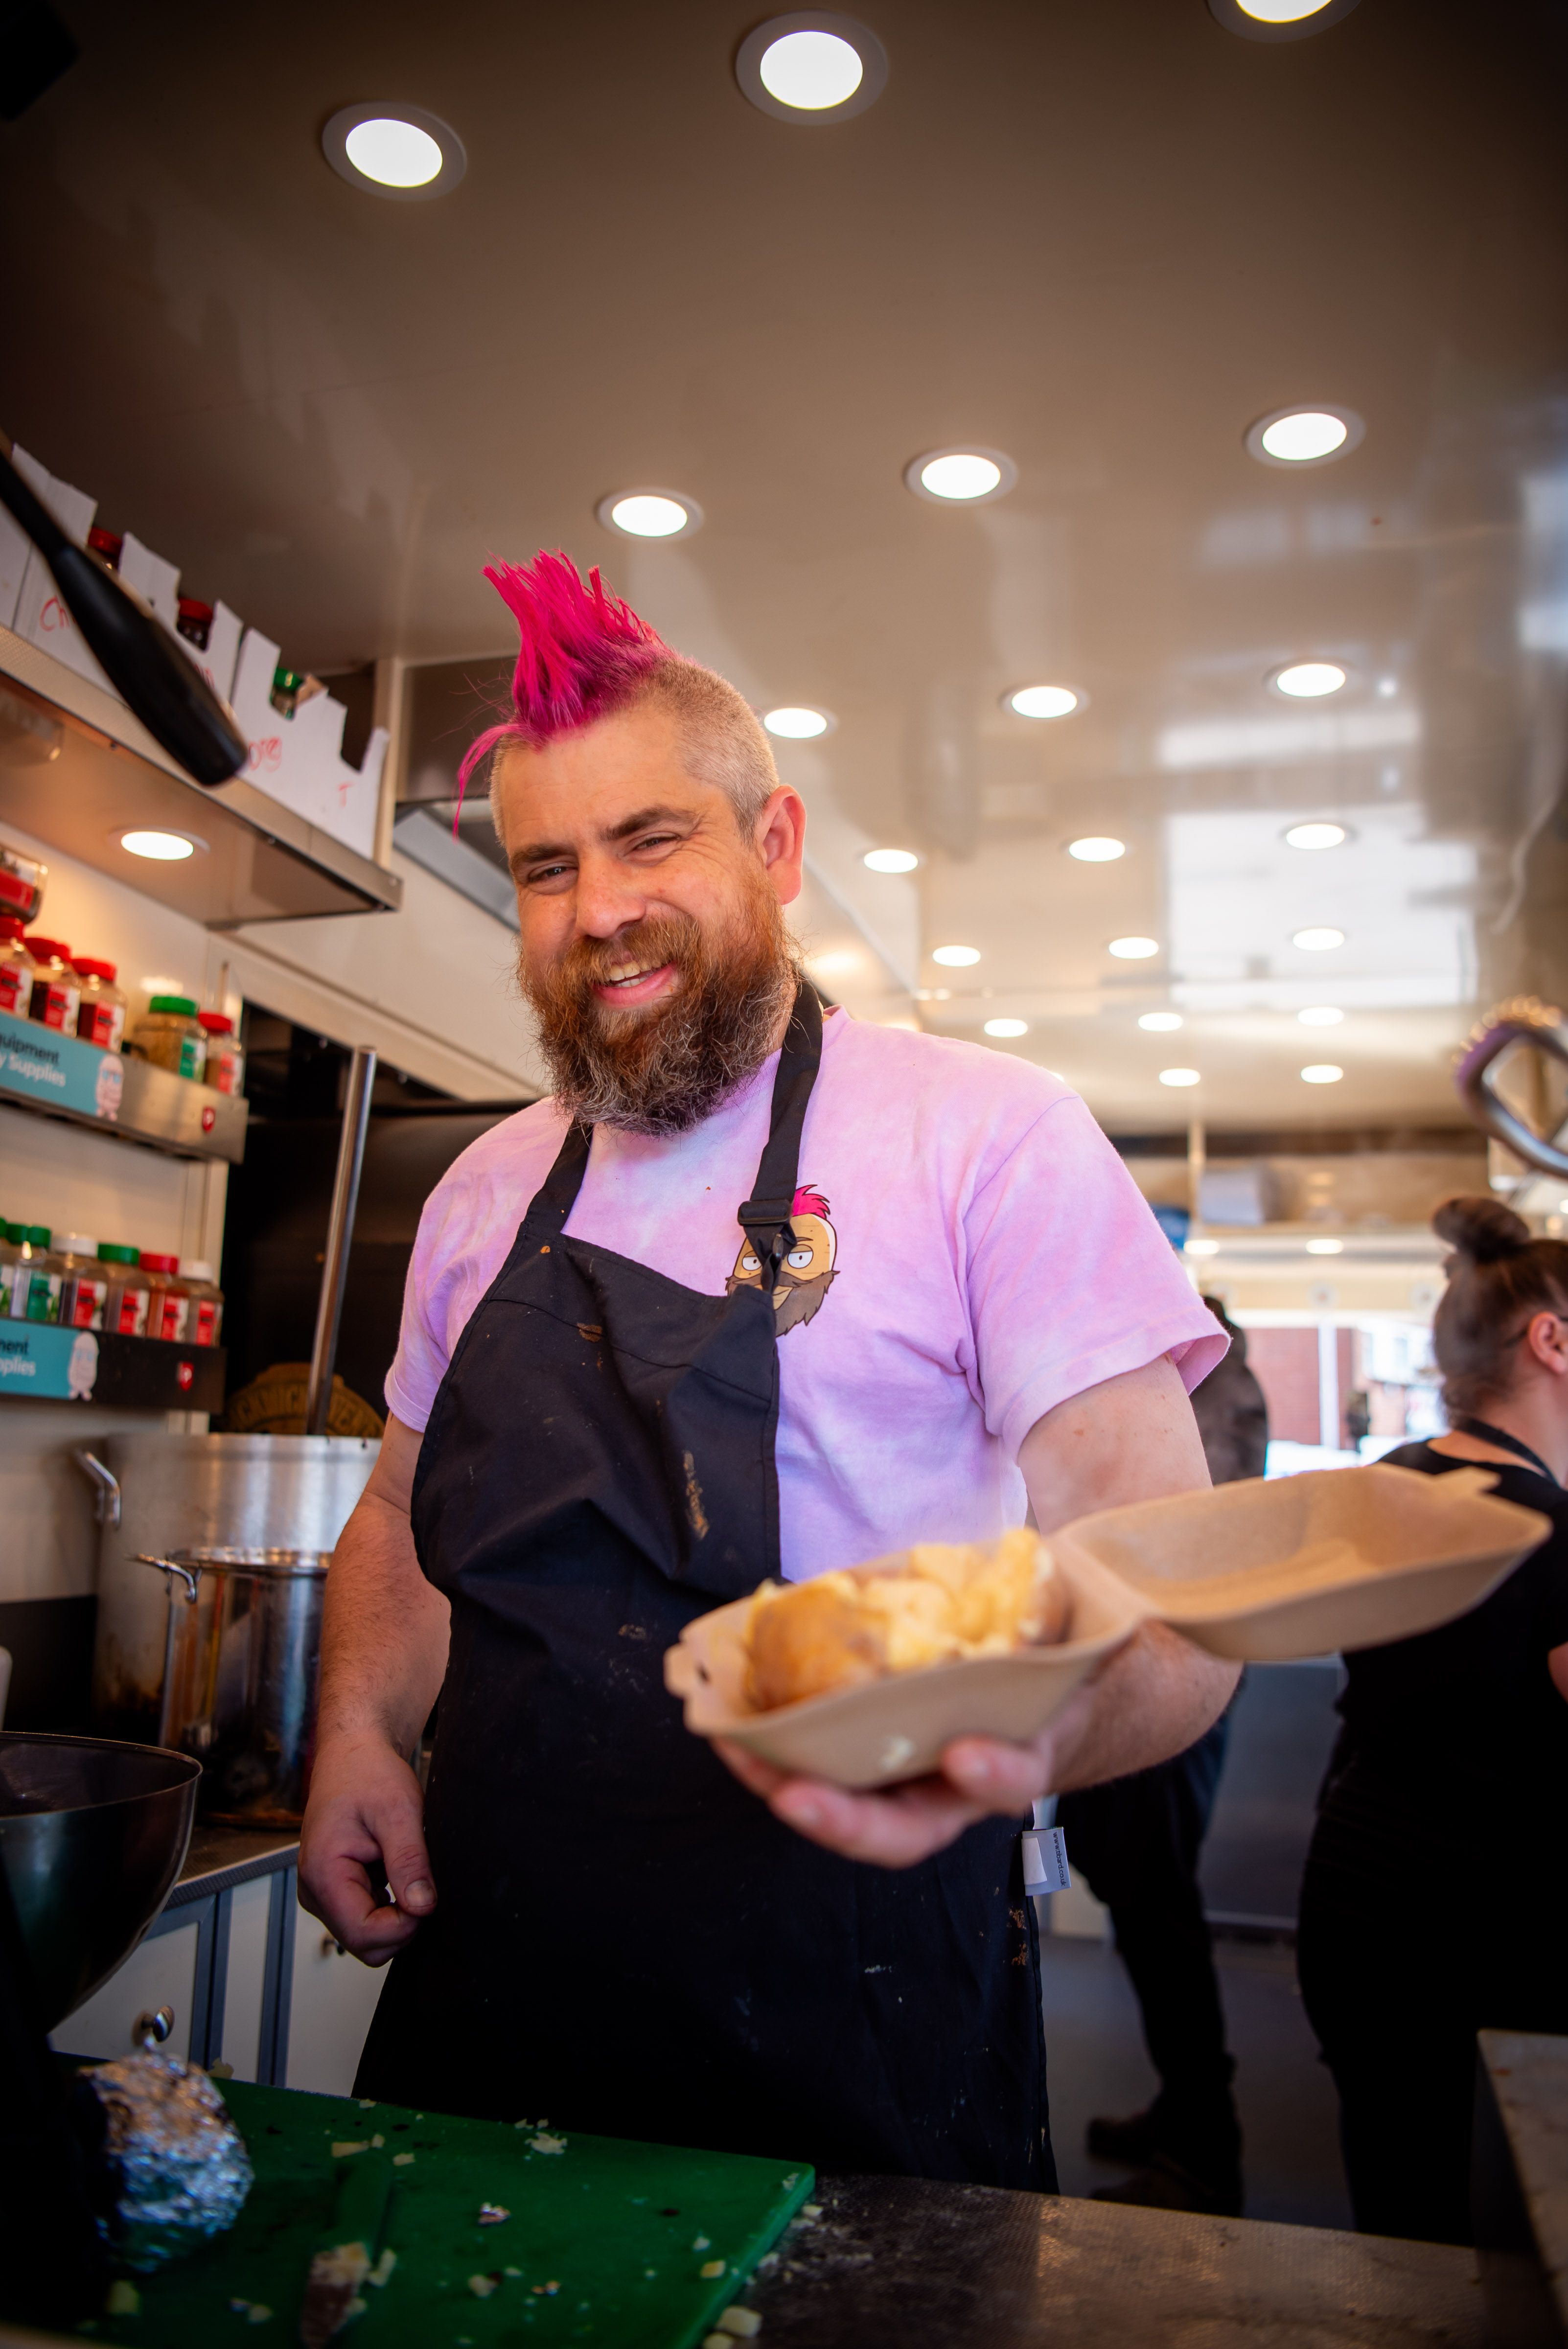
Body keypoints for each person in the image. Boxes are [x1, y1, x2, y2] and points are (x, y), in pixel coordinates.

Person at [297, 550, 1239, 2188]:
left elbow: (1175, 1589)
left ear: (776, 843)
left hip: (858, 1983)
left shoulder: (981, 1137)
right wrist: (361, 1729)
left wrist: (999, 1763)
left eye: (650, 839)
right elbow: (398, 1514)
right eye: (544, 867)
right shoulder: (479, 1193)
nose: (599, 911)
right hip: (504, 1968)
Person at [1296, 1195, 1568, 2243]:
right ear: (1551, 1341)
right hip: (1501, 1922)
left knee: (1401, 2219)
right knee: (1514, 2240)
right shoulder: (1550, 1527)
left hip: (1360, 1895)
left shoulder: (1380, 1486)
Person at [1058, 1296, 1268, 2216]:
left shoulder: (1187, 1368)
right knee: (1141, 1893)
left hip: (1170, 1667)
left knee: (1157, 1904)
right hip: (1159, 1658)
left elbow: (1165, 1528)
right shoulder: (1195, 1363)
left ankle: (1204, 2144)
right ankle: (1185, 2109)